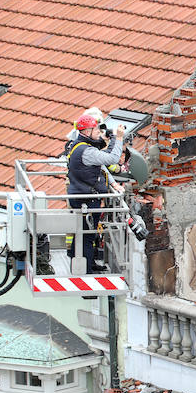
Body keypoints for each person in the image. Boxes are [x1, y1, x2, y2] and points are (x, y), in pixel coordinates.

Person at [65, 114, 125, 273]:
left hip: (82, 196)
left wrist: (112, 183)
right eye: (96, 129)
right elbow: (112, 159)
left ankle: (86, 263)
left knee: (84, 233)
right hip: (87, 199)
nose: (99, 131)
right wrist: (119, 138)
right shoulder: (87, 151)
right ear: (87, 131)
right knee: (87, 235)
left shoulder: (79, 146)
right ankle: (85, 271)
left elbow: (100, 165)